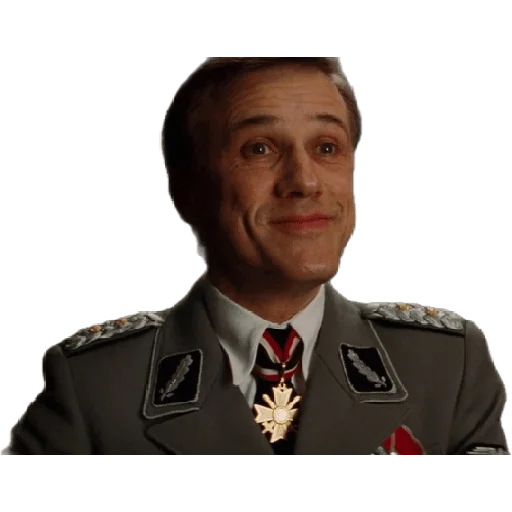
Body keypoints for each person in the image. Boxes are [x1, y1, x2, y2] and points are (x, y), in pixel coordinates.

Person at [1, 56, 509, 456]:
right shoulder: (94, 385)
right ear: (187, 189)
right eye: (259, 149)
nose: (305, 182)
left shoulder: (446, 365)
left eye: (327, 148)